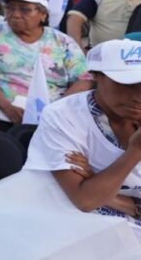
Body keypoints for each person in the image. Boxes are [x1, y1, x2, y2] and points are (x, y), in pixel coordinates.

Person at [24, 39, 141, 225]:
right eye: (126, 85)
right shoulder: (64, 116)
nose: (137, 97)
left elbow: (89, 193)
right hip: (80, 227)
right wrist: (135, 151)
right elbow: (86, 200)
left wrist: (96, 182)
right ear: (95, 75)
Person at [0, 0, 91, 130]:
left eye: (25, 9)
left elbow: (84, 80)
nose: (16, 14)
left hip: (52, 109)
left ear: (43, 14)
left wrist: (55, 111)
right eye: (10, 8)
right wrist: (7, 108)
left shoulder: (62, 42)